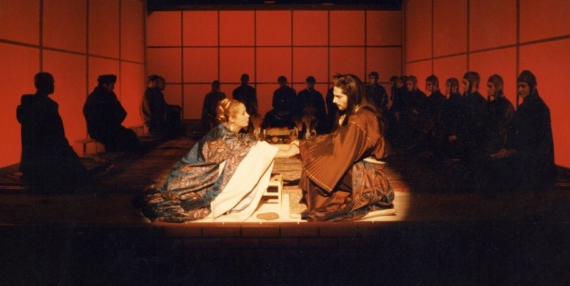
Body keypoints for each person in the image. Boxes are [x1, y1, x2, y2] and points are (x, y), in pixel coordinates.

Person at [137, 98, 300, 222]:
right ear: (232, 119)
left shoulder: (229, 131)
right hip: (189, 181)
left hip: (194, 176)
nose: (248, 115)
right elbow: (253, 151)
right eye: (243, 113)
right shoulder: (223, 137)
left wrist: (287, 146)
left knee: (252, 153)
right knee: (251, 157)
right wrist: (288, 153)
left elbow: (252, 144)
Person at [294, 73, 395, 222]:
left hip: (369, 179)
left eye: (339, 96)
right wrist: (308, 144)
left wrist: (309, 147)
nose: (334, 100)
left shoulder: (359, 119)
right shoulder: (357, 113)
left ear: (352, 95)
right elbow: (336, 139)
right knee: (316, 160)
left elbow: (341, 150)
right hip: (362, 169)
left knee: (316, 166)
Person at [17, 72, 90, 189]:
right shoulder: (49, 107)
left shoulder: (28, 105)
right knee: (80, 174)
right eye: (52, 83)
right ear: (46, 84)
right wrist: (74, 157)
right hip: (46, 162)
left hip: (28, 163)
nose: (54, 85)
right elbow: (58, 138)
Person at [488, 70, 556, 190]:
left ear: (533, 87)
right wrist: (507, 148)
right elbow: (513, 131)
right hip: (522, 154)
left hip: (535, 159)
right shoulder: (521, 108)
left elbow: (540, 141)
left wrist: (513, 151)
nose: (520, 90)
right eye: (518, 86)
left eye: (523, 86)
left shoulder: (542, 109)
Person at [83, 74, 142, 152]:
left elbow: (120, 111)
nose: (113, 87)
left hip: (112, 127)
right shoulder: (94, 98)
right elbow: (95, 117)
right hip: (100, 131)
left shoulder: (110, 95)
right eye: (112, 85)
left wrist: (114, 122)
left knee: (130, 135)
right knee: (124, 139)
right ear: (105, 85)